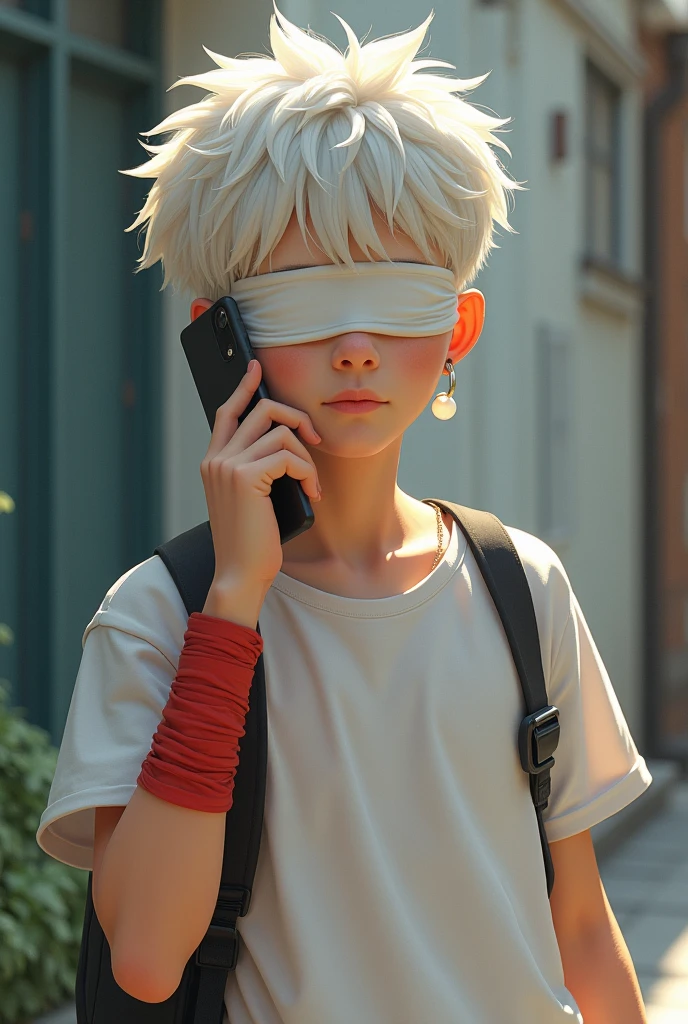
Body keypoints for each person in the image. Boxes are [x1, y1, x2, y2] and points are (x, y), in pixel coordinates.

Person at [37, 5, 651, 1021]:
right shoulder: (159, 614)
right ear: (220, 336)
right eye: (304, 296)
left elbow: (578, 925)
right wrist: (233, 607)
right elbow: (144, 955)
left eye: (395, 293)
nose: (356, 345)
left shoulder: (520, 586)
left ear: (455, 325)